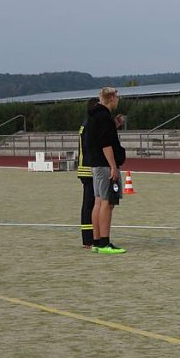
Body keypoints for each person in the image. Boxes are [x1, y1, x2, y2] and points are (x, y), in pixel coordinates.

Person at [86, 87, 127, 254]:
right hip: (104, 165)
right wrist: (112, 166)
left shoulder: (95, 115)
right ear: (110, 98)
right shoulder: (103, 116)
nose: (118, 99)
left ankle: (96, 241)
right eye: (116, 96)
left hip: (96, 163)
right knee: (107, 202)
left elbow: (101, 137)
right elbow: (106, 143)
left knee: (98, 201)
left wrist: (114, 125)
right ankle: (104, 242)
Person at [76, 97, 100, 249]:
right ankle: (89, 239)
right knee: (89, 206)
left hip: (86, 169)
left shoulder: (86, 124)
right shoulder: (90, 125)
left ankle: (90, 238)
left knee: (89, 205)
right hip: (89, 169)